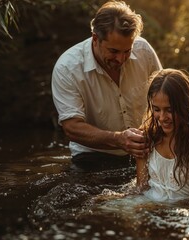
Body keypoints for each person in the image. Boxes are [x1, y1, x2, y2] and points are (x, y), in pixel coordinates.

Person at [51, 1, 162, 170]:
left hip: (147, 150)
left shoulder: (143, 50)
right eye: (114, 51)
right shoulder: (67, 68)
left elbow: (165, 96)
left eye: (127, 51)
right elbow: (72, 127)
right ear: (95, 39)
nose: (121, 59)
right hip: (93, 156)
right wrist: (118, 139)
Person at [135, 69, 189, 202]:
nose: (162, 118)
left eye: (169, 110)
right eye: (156, 109)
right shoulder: (146, 136)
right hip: (148, 205)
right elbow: (141, 188)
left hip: (183, 212)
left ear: (185, 106)